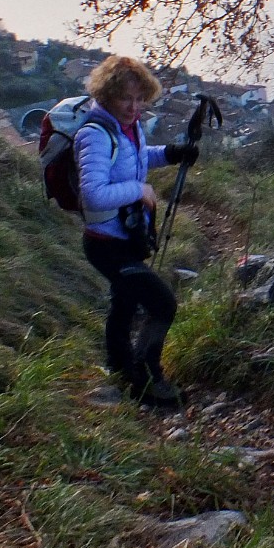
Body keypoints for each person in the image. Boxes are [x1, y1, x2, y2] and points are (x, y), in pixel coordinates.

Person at [75, 56, 197, 406]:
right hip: (105, 243)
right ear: (107, 95)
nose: (134, 106)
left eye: (140, 98)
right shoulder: (95, 135)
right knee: (162, 303)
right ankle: (146, 379)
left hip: (125, 238)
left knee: (125, 304)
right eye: (125, 98)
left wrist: (171, 153)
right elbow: (93, 195)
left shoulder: (127, 128)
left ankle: (120, 372)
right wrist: (139, 191)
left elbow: (135, 159)